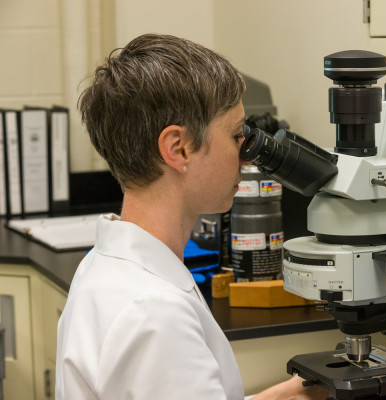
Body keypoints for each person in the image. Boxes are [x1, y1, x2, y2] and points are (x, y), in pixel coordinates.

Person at [55, 33, 330, 400]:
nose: (246, 157)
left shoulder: (105, 268)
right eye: (236, 136)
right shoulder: (154, 311)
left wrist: (290, 395)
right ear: (178, 148)